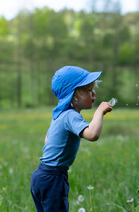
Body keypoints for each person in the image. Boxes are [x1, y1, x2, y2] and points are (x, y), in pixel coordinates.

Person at [30, 65, 113, 212]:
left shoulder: (59, 115)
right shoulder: (71, 115)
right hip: (54, 178)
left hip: (40, 176)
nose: (94, 94)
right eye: (88, 90)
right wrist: (99, 112)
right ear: (73, 94)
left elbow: (47, 141)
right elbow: (92, 134)